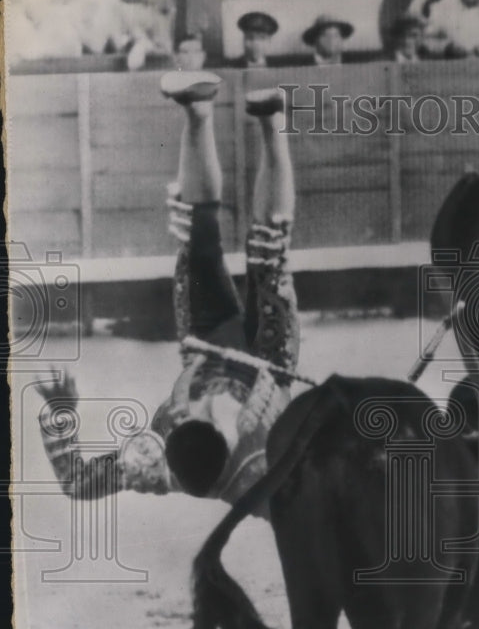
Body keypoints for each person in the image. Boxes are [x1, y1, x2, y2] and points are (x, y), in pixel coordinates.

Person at [37, 74, 300, 514]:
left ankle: (198, 112)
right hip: (268, 361)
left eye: (188, 413)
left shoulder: (153, 461)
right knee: (269, 250)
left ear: (171, 430)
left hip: (206, 348)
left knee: (197, 239)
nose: (200, 407)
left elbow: (77, 482)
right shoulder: (259, 473)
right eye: (203, 415)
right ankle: (273, 123)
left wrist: (62, 411)